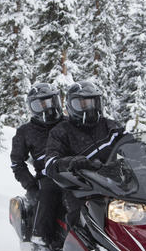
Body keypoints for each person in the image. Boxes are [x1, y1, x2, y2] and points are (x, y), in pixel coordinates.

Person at [44, 81, 129, 227]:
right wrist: (71, 162)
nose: (89, 108)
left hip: (115, 182)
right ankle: (75, 247)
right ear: (71, 105)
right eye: (82, 104)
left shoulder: (111, 127)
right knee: (82, 217)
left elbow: (130, 143)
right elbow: (50, 163)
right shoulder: (61, 132)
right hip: (80, 186)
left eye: (93, 102)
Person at [11, 82, 65, 249]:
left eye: (50, 102)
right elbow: (17, 162)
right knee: (47, 195)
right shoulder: (26, 131)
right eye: (40, 104)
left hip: (74, 172)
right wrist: (30, 185)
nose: (47, 108)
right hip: (47, 175)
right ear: (32, 108)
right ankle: (40, 238)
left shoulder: (68, 123)